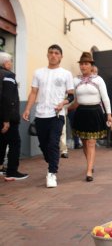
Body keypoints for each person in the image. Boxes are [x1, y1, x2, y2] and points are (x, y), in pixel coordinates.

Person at [22, 44, 74, 188]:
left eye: (57, 53)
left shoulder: (66, 74)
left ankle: (52, 173)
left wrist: (63, 103)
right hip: (40, 115)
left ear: (61, 56)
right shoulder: (38, 72)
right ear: (47, 55)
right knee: (44, 145)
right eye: (51, 52)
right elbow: (33, 92)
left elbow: (71, 96)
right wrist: (27, 109)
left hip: (57, 115)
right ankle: (51, 160)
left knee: (53, 143)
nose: (53, 55)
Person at [71, 52, 112, 182]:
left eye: (86, 64)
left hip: (95, 112)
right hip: (81, 112)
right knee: (84, 142)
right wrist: (65, 107)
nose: (83, 66)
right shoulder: (75, 80)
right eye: (82, 64)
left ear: (91, 65)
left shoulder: (98, 80)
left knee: (91, 143)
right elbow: (73, 99)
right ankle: (90, 163)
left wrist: (109, 115)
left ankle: (89, 171)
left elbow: (105, 98)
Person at [0, 52, 29, 180]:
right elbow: (7, 98)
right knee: (15, 143)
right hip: (8, 117)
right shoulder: (9, 75)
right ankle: (12, 171)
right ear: (6, 63)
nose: (11, 64)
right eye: (10, 61)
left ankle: (1, 167)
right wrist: (6, 120)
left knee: (2, 142)